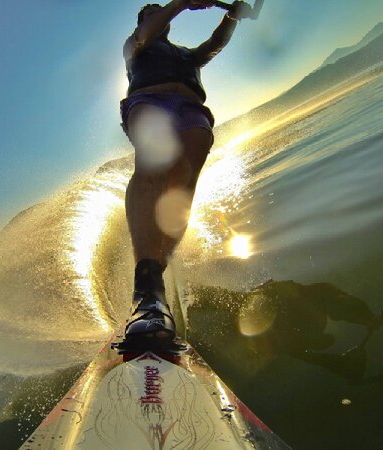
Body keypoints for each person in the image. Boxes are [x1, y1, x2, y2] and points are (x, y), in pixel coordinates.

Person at [120, 0, 253, 349]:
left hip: (192, 111)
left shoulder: (182, 54)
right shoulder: (136, 43)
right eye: (150, 11)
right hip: (150, 102)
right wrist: (182, 3)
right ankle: (146, 292)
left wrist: (232, 17)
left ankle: (158, 272)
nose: (155, 14)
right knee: (152, 166)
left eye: (158, 12)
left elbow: (213, 46)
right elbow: (147, 32)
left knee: (183, 180)